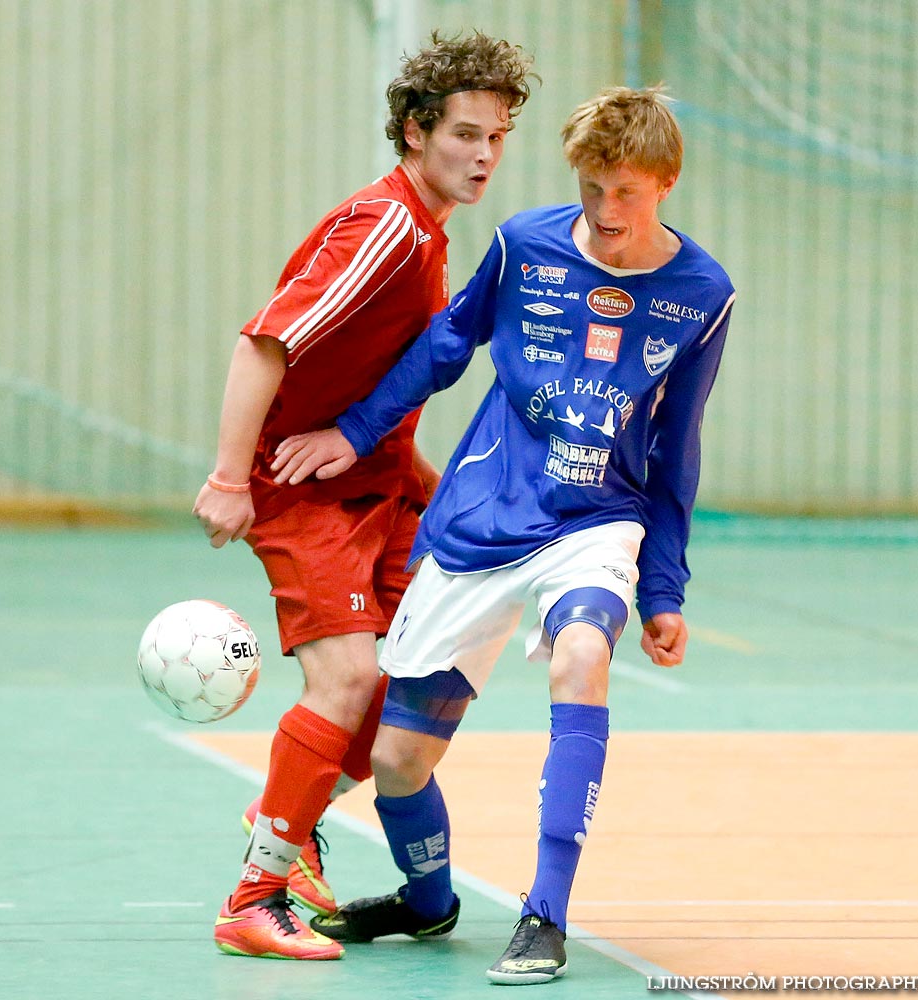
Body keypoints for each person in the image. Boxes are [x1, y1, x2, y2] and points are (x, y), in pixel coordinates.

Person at [269, 85, 736, 983]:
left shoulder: (701, 294)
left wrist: (665, 590)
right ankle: (427, 900)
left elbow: (679, 448)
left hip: (599, 520)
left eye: (626, 194)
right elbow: (448, 344)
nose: (605, 212)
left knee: (580, 657)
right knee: (400, 759)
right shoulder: (524, 242)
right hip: (485, 515)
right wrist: (354, 432)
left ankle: (544, 914)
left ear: (666, 184)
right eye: (592, 187)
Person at [192, 30, 535, 962]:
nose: (483, 156)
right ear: (416, 131)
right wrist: (232, 479)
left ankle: (285, 823)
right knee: (344, 682)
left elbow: (374, 385)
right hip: (304, 491)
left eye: (497, 138)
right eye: (465, 133)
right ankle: (253, 897)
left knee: (395, 707)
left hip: (378, 488)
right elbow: (263, 342)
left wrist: (426, 486)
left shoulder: (430, 230)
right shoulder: (382, 227)